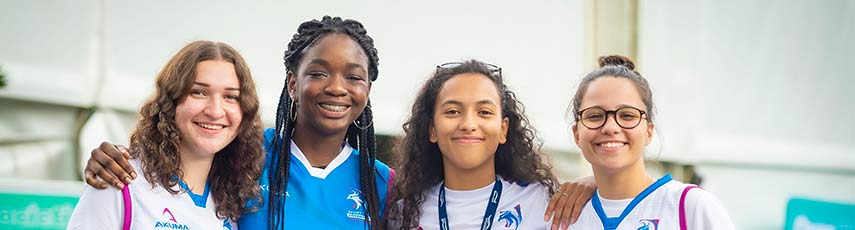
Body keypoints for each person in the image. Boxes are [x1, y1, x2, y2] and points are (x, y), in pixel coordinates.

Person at [80, 16, 393, 230]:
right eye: (319, 72)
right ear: (293, 84)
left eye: (353, 77)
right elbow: (177, 158)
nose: (337, 87)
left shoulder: (385, 184)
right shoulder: (243, 155)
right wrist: (111, 159)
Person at [67, 40, 264, 229]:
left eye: (230, 97)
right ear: (171, 101)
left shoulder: (236, 203)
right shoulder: (120, 179)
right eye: (198, 92)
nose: (215, 111)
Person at [388, 60, 562, 230]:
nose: (468, 124)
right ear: (432, 129)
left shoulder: (546, 202)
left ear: (503, 129)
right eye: (453, 112)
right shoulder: (404, 214)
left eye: (484, 112)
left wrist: (590, 184)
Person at [566, 55, 734, 229]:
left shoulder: (690, 206)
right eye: (594, 116)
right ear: (577, 134)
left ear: (649, 131)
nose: (610, 127)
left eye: (627, 115)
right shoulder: (562, 217)